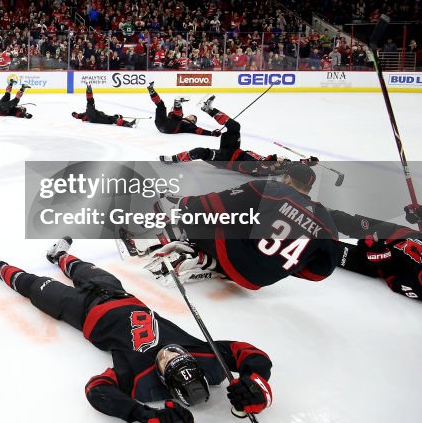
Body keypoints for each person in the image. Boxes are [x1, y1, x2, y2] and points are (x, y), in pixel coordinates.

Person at [0, 238, 274, 423]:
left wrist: (144, 416)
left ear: (161, 377)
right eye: (180, 356)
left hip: (82, 311)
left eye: (168, 362)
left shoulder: (139, 379)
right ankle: (60, 255)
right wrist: (255, 381)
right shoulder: (208, 358)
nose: (171, 353)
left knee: (34, 286)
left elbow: (96, 390)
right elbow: (248, 353)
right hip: (119, 294)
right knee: (84, 270)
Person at [146, 162, 342, 290]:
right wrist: (289, 266)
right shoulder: (325, 222)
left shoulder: (274, 190)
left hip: (234, 257)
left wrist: (184, 204)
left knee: (212, 215)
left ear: (288, 179)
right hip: (259, 280)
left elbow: (214, 204)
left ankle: (167, 236)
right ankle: (211, 262)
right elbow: (320, 272)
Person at [330, 204, 422, 301]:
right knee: (347, 221)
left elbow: (401, 282)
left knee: (329, 250)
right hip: (398, 233)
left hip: (377, 262)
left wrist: (380, 254)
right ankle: (315, 211)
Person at [159, 96, 278, 171]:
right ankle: (208, 109)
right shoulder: (270, 162)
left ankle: (172, 159)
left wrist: (211, 133)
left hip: (227, 160)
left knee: (200, 152)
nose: (281, 158)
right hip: (234, 150)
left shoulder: (262, 168)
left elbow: (248, 167)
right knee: (235, 127)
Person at [147, 82, 218, 136]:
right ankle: (151, 91)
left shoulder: (191, 125)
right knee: (161, 106)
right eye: (190, 116)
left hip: (169, 129)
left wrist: (211, 133)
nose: (190, 117)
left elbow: (199, 131)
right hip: (160, 123)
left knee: (178, 117)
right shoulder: (180, 119)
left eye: (193, 118)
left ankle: (177, 104)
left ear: (193, 122)